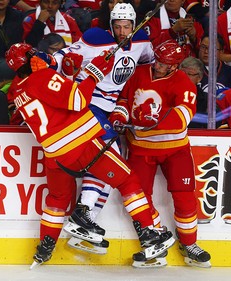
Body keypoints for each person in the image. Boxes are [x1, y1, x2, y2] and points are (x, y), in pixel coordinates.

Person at [4, 42, 175, 269]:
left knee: (56, 199)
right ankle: (148, 234)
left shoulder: (18, 90)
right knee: (128, 180)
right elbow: (77, 100)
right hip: (79, 144)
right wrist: (95, 72)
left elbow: (52, 100)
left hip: (54, 155)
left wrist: (67, 74)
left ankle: (45, 247)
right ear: (28, 59)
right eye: (33, 53)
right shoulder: (41, 77)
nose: (39, 54)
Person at [51, 2, 157, 256]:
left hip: (109, 110)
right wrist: (47, 61)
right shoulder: (96, 40)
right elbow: (64, 56)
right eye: (118, 26)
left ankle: (84, 224)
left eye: (126, 26)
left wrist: (125, 104)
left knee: (109, 171)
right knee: (110, 163)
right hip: (88, 107)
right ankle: (82, 214)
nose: (122, 32)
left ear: (134, 25)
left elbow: (147, 65)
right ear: (111, 26)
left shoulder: (141, 40)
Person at [108, 39, 211, 268]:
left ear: (175, 65)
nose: (158, 66)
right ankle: (155, 242)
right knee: (138, 198)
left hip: (175, 149)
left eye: (165, 64)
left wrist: (155, 118)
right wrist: (119, 115)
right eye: (158, 60)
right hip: (140, 148)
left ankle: (189, 243)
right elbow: (125, 99)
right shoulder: (140, 72)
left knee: (184, 197)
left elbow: (184, 116)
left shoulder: (183, 82)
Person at [179, 56, 221, 128]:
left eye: (189, 74)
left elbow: (216, 122)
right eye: (182, 73)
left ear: (199, 78)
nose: (184, 77)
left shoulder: (207, 100)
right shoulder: (169, 93)